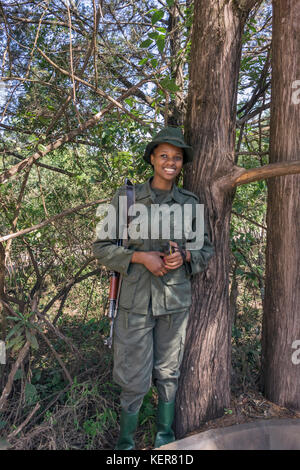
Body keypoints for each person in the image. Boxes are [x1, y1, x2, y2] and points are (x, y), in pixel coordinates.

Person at [92, 127, 214, 449]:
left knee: (169, 375)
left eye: (176, 157)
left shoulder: (190, 203)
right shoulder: (127, 197)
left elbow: (206, 250)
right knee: (133, 379)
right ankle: (126, 445)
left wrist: (185, 256)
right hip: (134, 305)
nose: (170, 162)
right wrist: (140, 257)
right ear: (152, 159)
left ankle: (165, 440)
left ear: (182, 163)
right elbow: (101, 247)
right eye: (164, 156)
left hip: (173, 305)